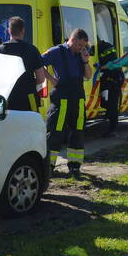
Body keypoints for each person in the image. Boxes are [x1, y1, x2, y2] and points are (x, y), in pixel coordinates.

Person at [40, 28, 93, 178]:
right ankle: (48, 166)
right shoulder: (57, 51)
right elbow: (39, 63)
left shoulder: (81, 54)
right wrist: (51, 79)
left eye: (84, 46)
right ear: (73, 39)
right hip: (61, 98)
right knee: (55, 132)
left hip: (78, 98)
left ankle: (75, 166)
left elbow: (88, 76)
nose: (81, 49)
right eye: (79, 45)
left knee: (78, 131)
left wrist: (86, 61)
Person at [0, 16, 45, 113]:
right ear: (23, 31)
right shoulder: (32, 50)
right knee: (30, 124)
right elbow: (41, 78)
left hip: (7, 97)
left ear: (9, 31)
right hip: (29, 97)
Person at [96, 39, 125, 136]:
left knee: (112, 105)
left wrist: (101, 66)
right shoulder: (100, 47)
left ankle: (112, 129)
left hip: (114, 79)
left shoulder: (107, 47)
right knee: (107, 104)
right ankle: (109, 117)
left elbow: (113, 62)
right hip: (109, 79)